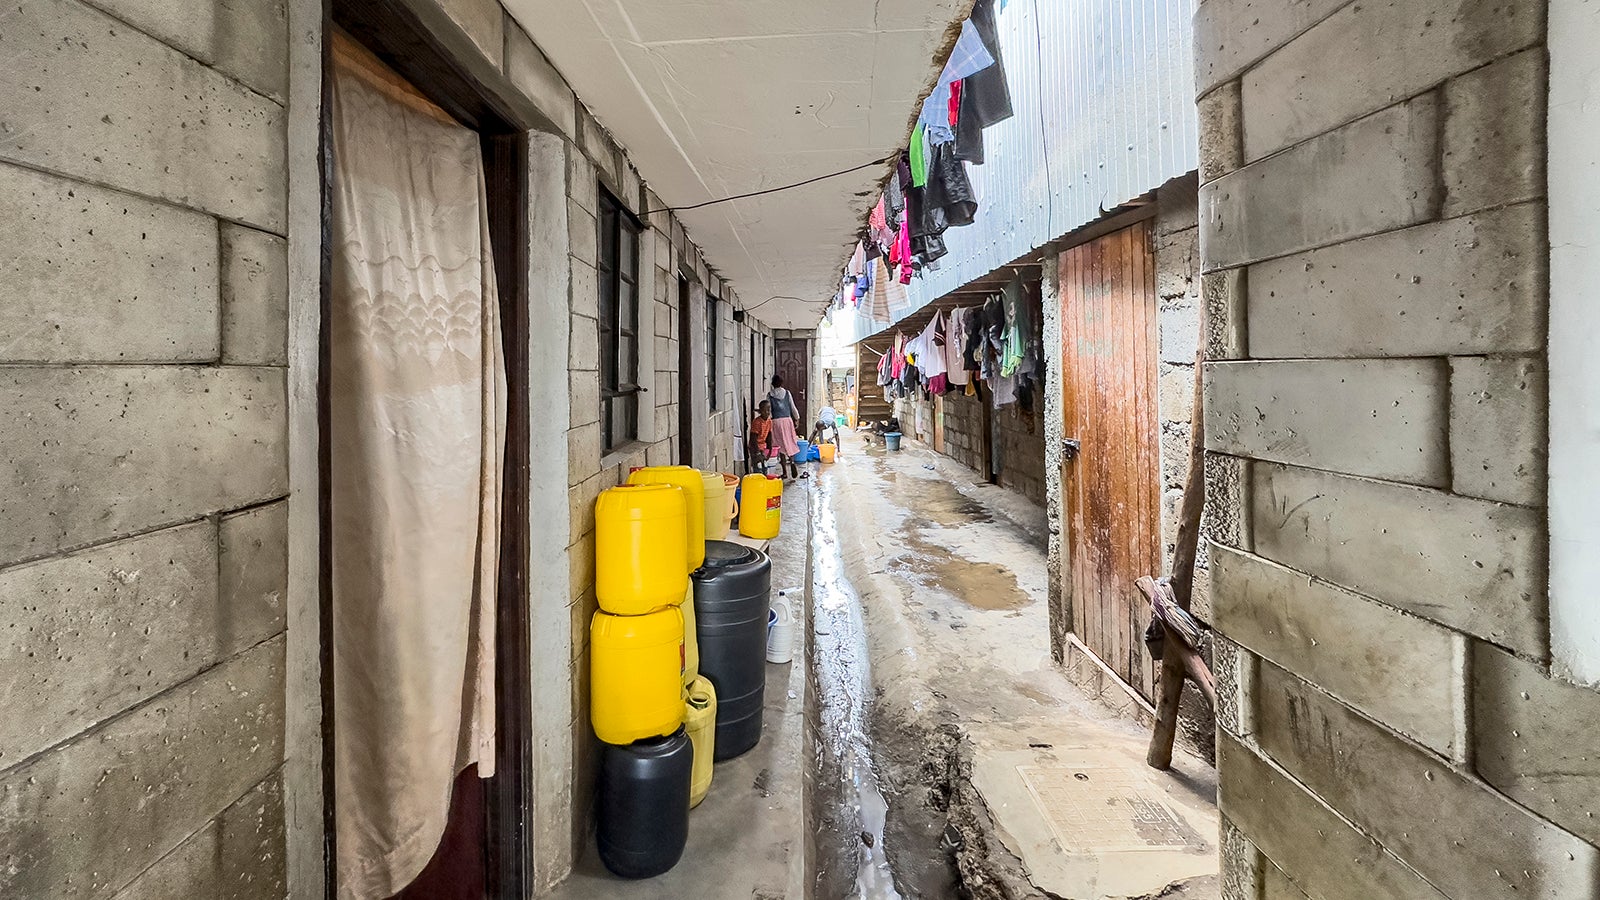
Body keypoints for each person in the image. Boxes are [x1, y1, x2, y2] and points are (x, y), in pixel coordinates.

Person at [766, 375, 801, 480]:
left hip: (776, 422)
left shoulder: (770, 395)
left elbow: (769, 411)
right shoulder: (787, 393)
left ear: (772, 384)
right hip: (787, 421)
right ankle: (792, 462)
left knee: (779, 446)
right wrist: (797, 418)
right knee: (789, 443)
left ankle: (784, 472)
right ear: (781, 383)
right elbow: (792, 407)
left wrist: (769, 421)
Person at [747, 401, 773, 474]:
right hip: (755, 447)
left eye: (769, 410)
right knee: (758, 466)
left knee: (764, 465)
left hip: (763, 446)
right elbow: (753, 438)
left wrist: (770, 449)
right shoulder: (757, 422)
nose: (767, 412)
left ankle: (764, 481)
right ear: (761, 411)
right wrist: (757, 452)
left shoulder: (769, 421)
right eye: (765, 410)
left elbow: (769, 435)